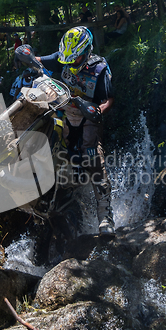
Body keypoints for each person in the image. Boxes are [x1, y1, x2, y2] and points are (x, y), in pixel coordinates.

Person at [38, 26, 115, 235]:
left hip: (88, 115)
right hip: (63, 110)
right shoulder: (65, 57)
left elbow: (108, 100)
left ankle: (106, 216)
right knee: (42, 120)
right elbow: (40, 61)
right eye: (67, 59)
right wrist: (26, 57)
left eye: (75, 59)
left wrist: (97, 110)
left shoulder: (99, 68)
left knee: (91, 153)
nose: (70, 63)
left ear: (87, 51)